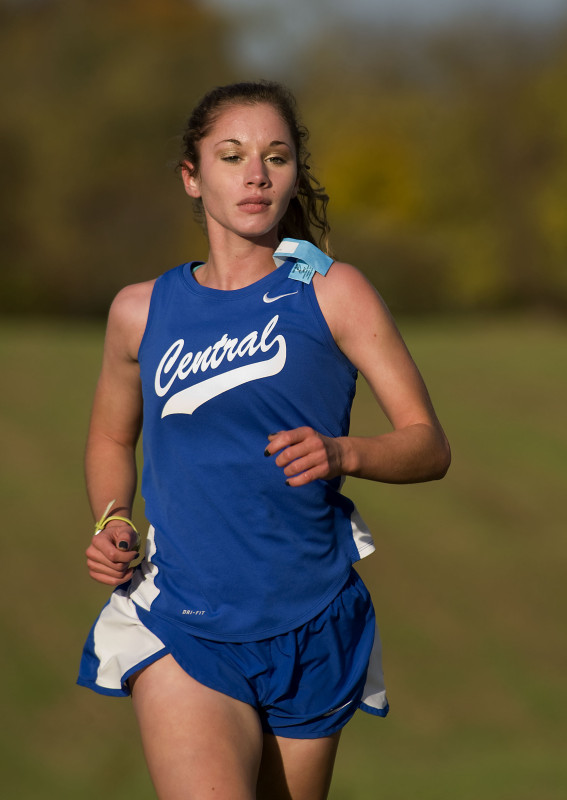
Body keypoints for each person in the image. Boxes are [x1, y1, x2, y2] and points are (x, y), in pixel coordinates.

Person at [78, 80, 450, 800]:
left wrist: (344, 453)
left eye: (276, 157)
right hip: (183, 621)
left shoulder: (335, 292)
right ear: (192, 176)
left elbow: (428, 445)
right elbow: (109, 438)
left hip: (313, 623)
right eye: (232, 156)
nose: (256, 175)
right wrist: (111, 519)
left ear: (294, 175)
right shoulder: (139, 312)